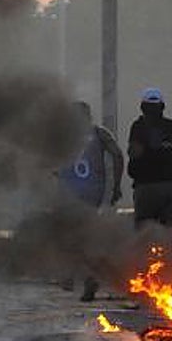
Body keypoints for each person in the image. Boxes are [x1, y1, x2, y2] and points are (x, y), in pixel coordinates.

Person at [57, 101, 125, 300]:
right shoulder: (99, 133)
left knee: (72, 233)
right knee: (86, 234)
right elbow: (118, 155)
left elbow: (51, 163)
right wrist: (116, 184)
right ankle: (86, 276)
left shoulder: (64, 135)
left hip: (71, 192)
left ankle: (72, 274)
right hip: (93, 192)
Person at [126, 88, 172, 229]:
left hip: (147, 188)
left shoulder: (138, 127)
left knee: (146, 233)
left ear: (142, 108)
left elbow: (134, 152)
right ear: (162, 107)